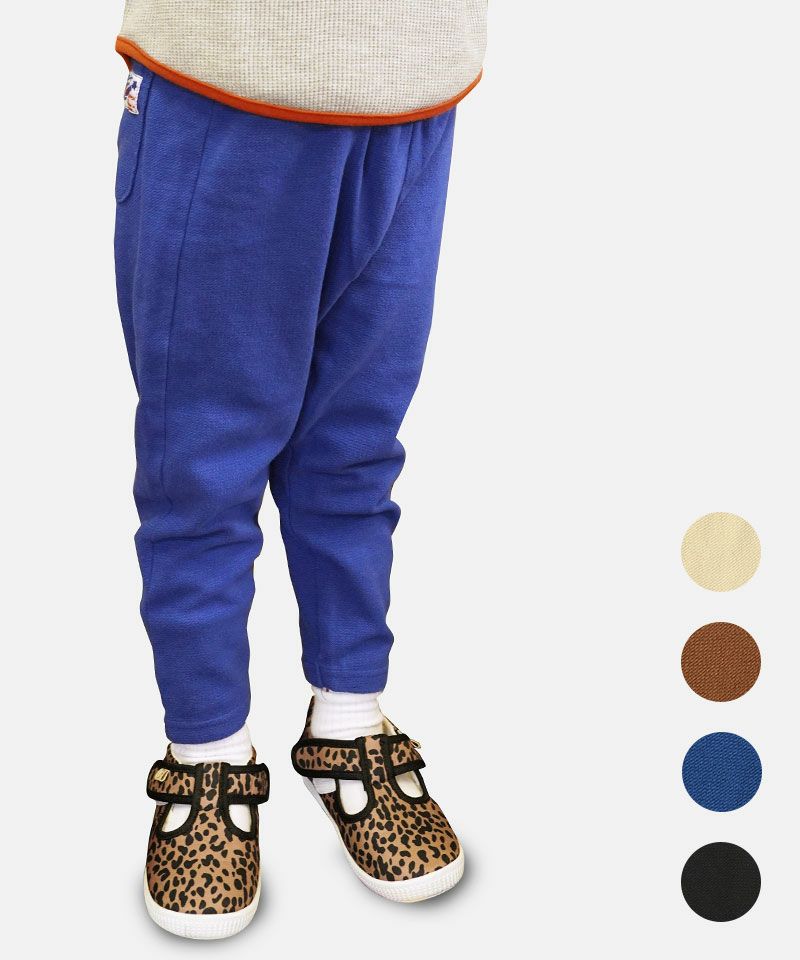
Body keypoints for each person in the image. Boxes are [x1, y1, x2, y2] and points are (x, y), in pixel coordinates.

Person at [114, 1, 487, 938]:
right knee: (203, 460)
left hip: (415, 82)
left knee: (355, 450)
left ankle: (348, 717)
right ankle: (205, 749)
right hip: (231, 77)